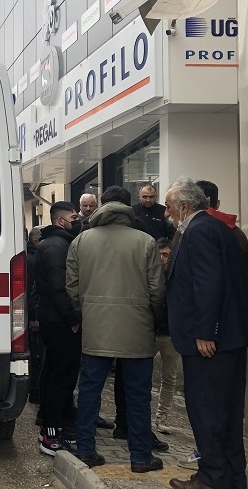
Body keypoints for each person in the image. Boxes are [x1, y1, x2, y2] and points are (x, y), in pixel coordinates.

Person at [163, 178, 248, 489]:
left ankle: (212, 478)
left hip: (210, 342)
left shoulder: (199, 230)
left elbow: (208, 285)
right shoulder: (219, 228)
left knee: (208, 411)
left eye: (168, 207)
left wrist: (206, 332)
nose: (166, 213)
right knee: (227, 412)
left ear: (184, 206)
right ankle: (232, 477)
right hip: (228, 338)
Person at [65, 186, 164, 472]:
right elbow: (157, 290)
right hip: (137, 327)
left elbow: (72, 288)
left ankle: (86, 450)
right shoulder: (146, 242)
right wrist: (151, 318)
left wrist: (85, 313)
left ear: (100, 207)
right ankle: (141, 456)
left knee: (89, 390)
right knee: (138, 394)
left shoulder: (81, 241)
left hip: (96, 327)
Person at [34, 202, 83, 456]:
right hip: (60, 323)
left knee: (57, 374)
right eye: (74, 217)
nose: (78, 220)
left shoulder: (59, 244)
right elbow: (58, 287)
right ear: (60, 221)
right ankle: (51, 436)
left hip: (56, 320)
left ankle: (56, 427)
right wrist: (73, 318)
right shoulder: (55, 247)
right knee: (60, 378)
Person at [153, 237, 181, 435]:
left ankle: (161, 417)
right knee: (141, 375)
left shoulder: (177, 275)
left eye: (166, 255)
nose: (163, 259)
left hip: (171, 333)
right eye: (160, 254)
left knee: (169, 378)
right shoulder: (150, 275)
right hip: (149, 330)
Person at [26, 226, 44, 405]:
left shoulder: (30, 257)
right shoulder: (32, 260)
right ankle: (35, 390)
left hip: (32, 314)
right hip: (33, 316)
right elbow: (31, 291)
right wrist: (34, 316)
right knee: (36, 354)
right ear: (37, 241)